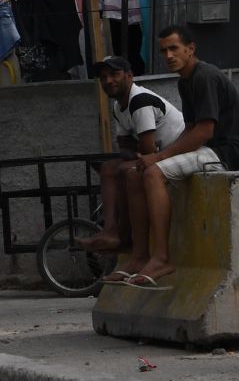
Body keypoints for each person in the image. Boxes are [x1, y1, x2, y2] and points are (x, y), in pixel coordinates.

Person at [113, 24, 239, 287]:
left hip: (227, 153)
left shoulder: (205, 77)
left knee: (154, 171)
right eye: (163, 50)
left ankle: (162, 257)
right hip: (208, 148)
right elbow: (190, 128)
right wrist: (158, 157)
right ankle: (140, 255)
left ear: (190, 49)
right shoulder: (185, 82)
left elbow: (203, 131)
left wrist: (158, 158)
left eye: (174, 49)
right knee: (136, 173)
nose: (168, 55)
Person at [78, 56, 184, 254]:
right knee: (108, 168)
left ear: (129, 76)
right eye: (103, 77)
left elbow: (147, 149)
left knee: (125, 171)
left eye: (114, 74)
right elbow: (125, 145)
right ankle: (110, 231)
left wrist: (137, 150)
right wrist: (136, 149)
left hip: (176, 152)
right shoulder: (119, 106)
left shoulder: (140, 101)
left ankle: (125, 238)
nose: (108, 81)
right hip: (157, 154)